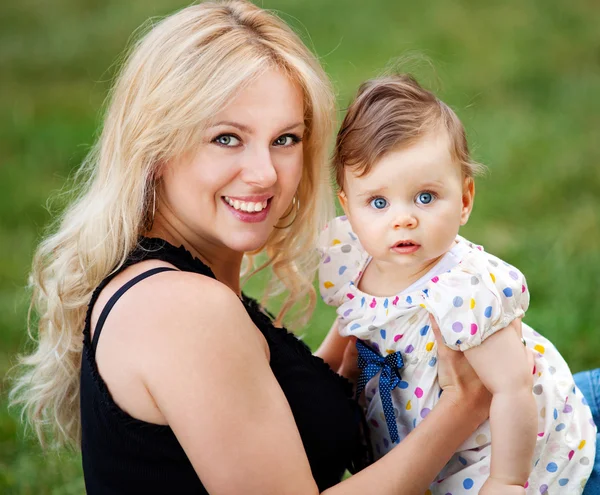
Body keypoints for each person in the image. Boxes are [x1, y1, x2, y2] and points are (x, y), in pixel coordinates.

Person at [8, 2, 500, 494]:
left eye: (285, 139)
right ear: (154, 148)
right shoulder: (182, 310)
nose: (265, 173)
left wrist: (372, 315)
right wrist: (464, 407)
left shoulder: (181, 278)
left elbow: (272, 415)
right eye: (227, 138)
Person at [318, 74, 597, 494]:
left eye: (425, 197)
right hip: (429, 449)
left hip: (510, 455)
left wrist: (507, 480)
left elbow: (512, 386)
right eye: (378, 202)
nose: (403, 218)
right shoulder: (357, 262)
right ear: (348, 205)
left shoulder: (465, 289)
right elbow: (350, 330)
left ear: (465, 199)